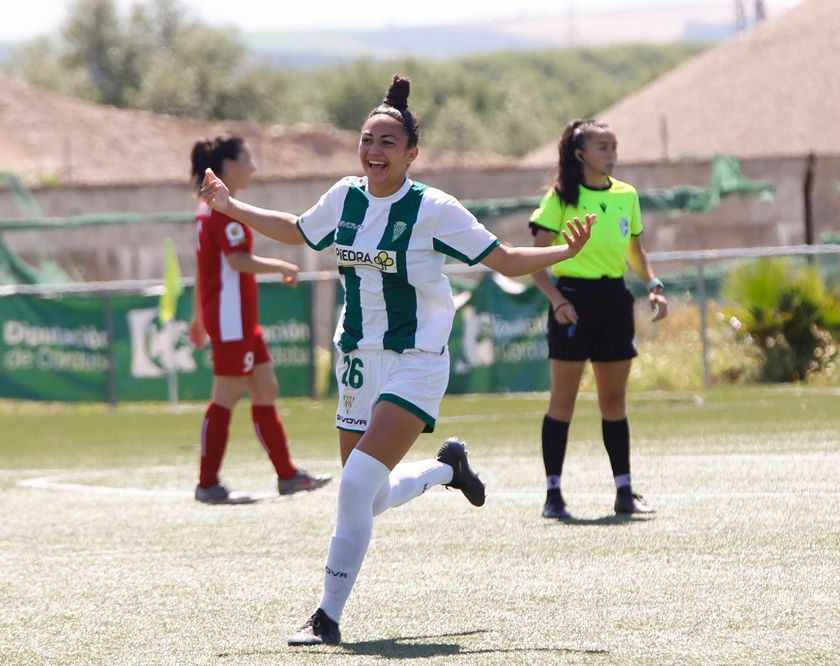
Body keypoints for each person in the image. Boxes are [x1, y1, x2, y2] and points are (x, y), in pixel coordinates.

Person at [198, 76, 594, 645]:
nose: (374, 151)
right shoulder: (344, 196)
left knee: (356, 484)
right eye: (367, 139)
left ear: (411, 154)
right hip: (357, 359)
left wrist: (567, 250)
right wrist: (230, 205)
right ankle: (445, 469)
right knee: (370, 493)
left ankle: (326, 618)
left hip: (416, 360)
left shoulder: (435, 210)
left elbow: (505, 260)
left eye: (387, 142)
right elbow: (299, 231)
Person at [529, 118, 668, 520]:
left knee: (613, 400)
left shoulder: (627, 195)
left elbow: (635, 252)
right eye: (602, 146)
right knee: (563, 402)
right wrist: (557, 301)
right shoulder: (559, 199)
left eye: (613, 146)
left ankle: (625, 491)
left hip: (614, 301)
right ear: (580, 154)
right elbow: (537, 263)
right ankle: (553, 495)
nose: (611, 153)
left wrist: (653, 283)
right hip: (572, 299)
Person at [188, 136, 332, 504]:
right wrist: (280, 264)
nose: (253, 167)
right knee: (225, 396)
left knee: (266, 387)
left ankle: (287, 475)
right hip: (231, 320)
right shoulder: (220, 211)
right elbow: (236, 262)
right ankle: (207, 483)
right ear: (229, 165)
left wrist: (197, 317)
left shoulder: (209, 210)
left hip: (238, 321)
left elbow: (206, 270)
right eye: (247, 159)